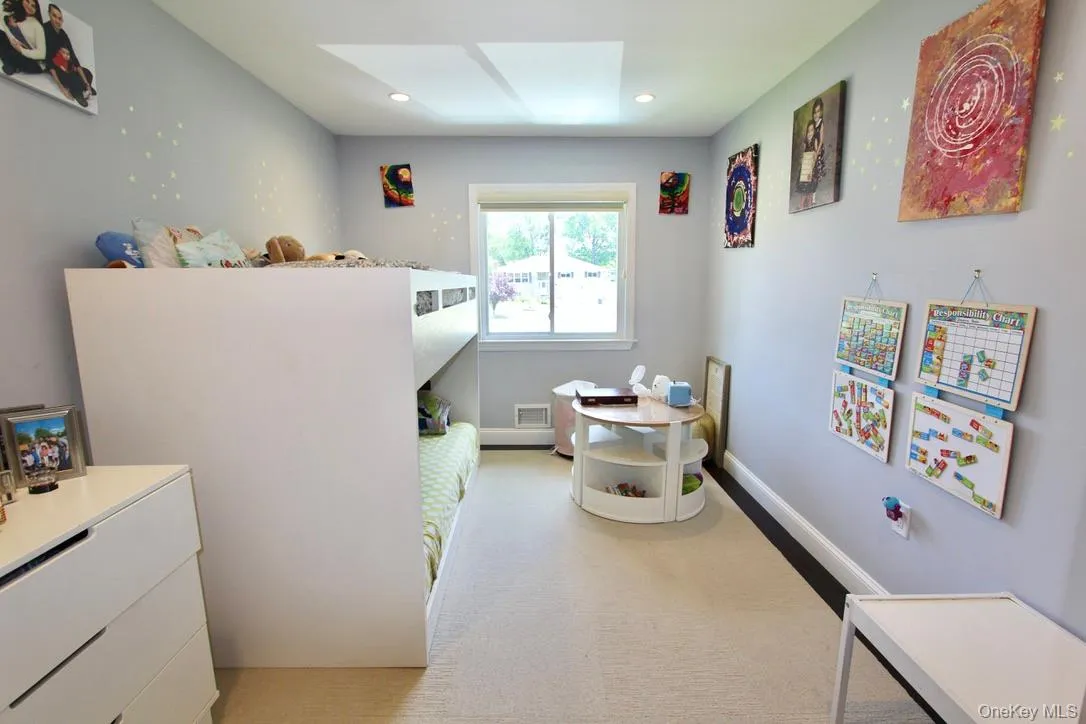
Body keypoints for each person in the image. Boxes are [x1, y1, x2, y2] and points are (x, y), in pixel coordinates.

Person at [42, 3, 93, 105]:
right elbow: (49, 62)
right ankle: (78, 93)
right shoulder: (44, 30)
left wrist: (87, 83)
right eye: (54, 16)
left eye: (60, 18)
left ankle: (85, 87)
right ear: (49, 14)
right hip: (54, 67)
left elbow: (73, 57)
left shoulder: (63, 34)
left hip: (66, 64)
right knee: (73, 79)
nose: (57, 20)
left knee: (88, 73)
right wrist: (62, 89)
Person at [0, 0, 46, 76]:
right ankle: (11, 63)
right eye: (27, 1)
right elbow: (7, 31)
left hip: (34, 62)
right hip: (17, 48)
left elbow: (41, 54)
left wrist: (21, 50)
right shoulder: (15, 15)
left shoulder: (37, 25)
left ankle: (11, 64)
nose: (29, 6)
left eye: (33, 6)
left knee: (13, 54)